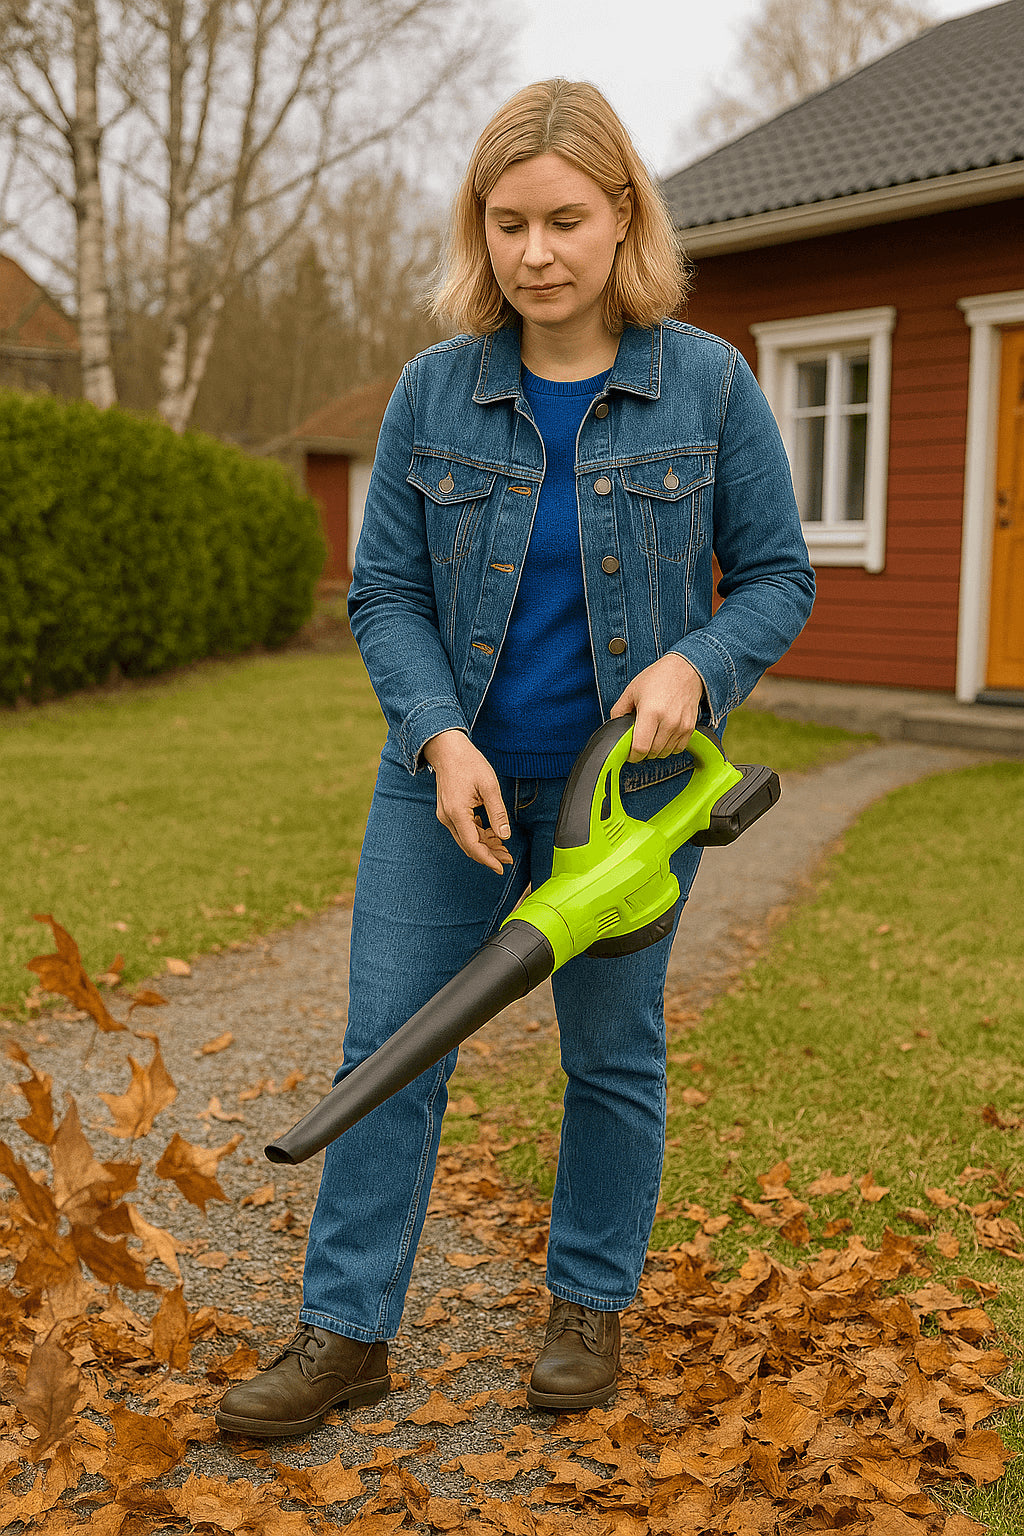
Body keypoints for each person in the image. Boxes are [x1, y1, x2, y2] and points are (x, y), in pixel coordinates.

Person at [216, 78, 814, 1438]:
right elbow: (385, 596)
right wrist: (438, 740)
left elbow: (776, 577)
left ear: (622, 221)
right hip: (447, 793)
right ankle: (348, 1334)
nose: (535, 252)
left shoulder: (707, 383)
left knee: (610, 1058)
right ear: (477, 232)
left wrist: (697, 666)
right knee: (391, 1048)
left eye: (563, 220)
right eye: (507, 223)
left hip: (628, 808)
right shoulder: (435, 393)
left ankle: (586, 1309)